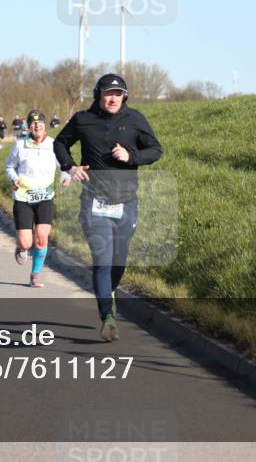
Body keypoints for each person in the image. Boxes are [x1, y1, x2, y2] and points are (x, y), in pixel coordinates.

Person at [54, 73, 162, 341]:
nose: (113, 98)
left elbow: (156, 150)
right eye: (108, 93)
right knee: (102, 259)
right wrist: (70, 166)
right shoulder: (83, 119)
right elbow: (60, 142)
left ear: (124, 96)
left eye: (118, 93)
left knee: (119, 260)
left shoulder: (135, 119)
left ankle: (107, 293)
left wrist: (131, 156)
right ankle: (108, 317)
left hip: (126, 202)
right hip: (94, 202)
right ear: (98, 95)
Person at [5, 110, 69, 287]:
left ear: (45, 125)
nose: (36, 125)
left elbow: (65, 165)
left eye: (39, 122)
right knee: (27, 242)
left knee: (41, 238)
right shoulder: (20, 145)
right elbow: (9, 166)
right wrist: (14, 178)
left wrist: (66, 176)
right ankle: (22, 247)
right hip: (23, 197)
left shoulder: (54, 145)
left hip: (45, 197)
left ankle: (36, 273)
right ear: (28, 126)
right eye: (32, 123)